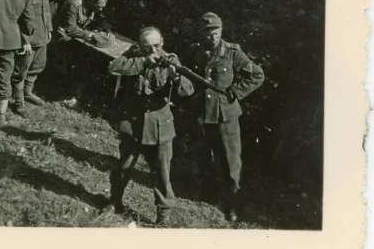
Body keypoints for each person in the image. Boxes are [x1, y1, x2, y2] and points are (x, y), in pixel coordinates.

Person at [105, 27, 194, 225]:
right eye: (147, 47)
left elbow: (188, 89)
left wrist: (176, 77)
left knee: (161, 173)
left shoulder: (171, 59)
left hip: (159, 126)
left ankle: (163, 215)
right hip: (133, 124)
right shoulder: (134, 55)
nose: (153, 50)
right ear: (139, 46)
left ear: (162, 42)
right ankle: (114, 201)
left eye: (157, 45)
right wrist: (143, 61)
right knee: (124, 166)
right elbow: (114, 66)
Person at [187, 12, 265, 222]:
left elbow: (257, 75)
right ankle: (208, 192)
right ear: (202, 34)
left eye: (217, 33)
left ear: (221, 32)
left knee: (231, 162)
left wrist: (236, 92)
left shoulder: (232, 52)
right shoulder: (196, 51)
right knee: (202, 156)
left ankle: (234, 204)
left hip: (225, 116)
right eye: (208, 34)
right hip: (203, 114)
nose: (213, 37)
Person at [11, 0, 55, 111]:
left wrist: (49, 28)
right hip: (27, 38)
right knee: (21, 69)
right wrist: (24, 40)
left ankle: (27, 92)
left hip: (42, 35)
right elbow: (17, 17)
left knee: (38, 66)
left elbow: (46, 9)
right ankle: (18, 101)